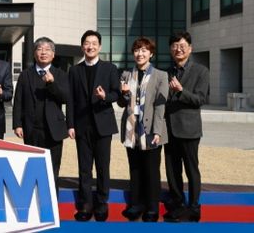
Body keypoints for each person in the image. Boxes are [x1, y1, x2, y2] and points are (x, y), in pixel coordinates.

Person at [67, 30, 120, 222]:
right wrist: (70, 124)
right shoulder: (74, 70)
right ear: (82, 47)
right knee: (84, 167)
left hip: (103, 125)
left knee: (103, 167)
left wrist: (105, 97)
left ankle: (102, 202)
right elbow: (70, 100)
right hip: (82, 126)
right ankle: (86, 203)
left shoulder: (110, 68)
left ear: (99, 46)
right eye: (87, 43)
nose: (90, 46)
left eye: (94, 43)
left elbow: (117, 94)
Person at [118, 37, 168, 222]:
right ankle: (136, 204)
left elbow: (160, 106)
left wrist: (157, 131)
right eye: (137, 50)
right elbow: (121, 103)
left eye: (144, 50)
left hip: (150, 129)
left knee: (151, 170)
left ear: (151, 54)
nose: (140, 53)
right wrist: (124, 94)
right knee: (135, 168)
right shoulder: (126, 75)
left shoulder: (161, 75)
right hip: (131, 128)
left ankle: (152, 207)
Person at [12, 37, 70, 196]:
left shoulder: (60, 74)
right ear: (34, 53)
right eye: (39, 49)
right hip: (31, 129)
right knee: (32, 167)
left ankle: (51, 202)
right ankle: (33, 200)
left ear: (53, 54)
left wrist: (52, 83)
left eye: (47, 49)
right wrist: (17, 124)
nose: (43, 52)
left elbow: (66, 98)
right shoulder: (25, 75)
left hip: (54, 130)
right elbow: (18, 101)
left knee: (52, 168)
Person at [163, 31, 209, 222]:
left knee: (192, 169)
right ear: (170, 49)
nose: (178, 49)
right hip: (169, 129)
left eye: (182, 46)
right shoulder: (166, 72)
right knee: (172, 170)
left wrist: (181, 91)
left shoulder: (201, 71)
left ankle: (194, 207)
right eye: (175, 46)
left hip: (189, 130)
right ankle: (178, 203)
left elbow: (200, 99)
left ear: (190, 49)